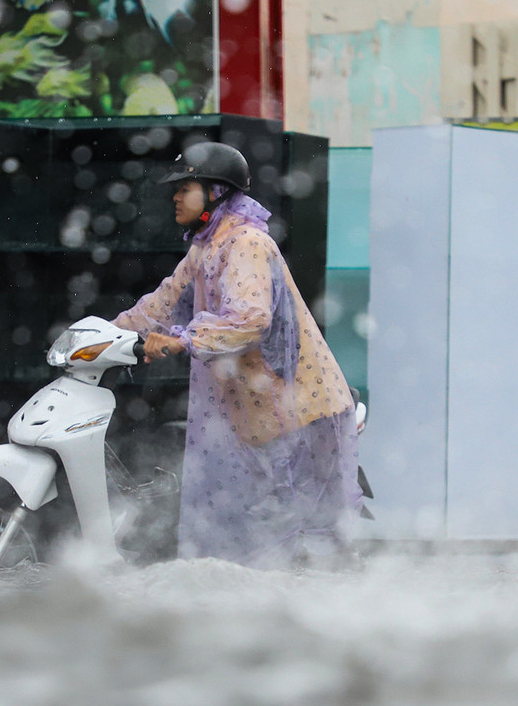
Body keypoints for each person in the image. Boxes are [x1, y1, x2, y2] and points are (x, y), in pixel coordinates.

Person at [112, 141, 362, 568]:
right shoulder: (206, 248)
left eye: (185, 187)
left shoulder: (246, 242)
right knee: (250, 547)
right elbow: (163, 303)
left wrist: (183, 340)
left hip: (295, 412)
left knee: (300, 547)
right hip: (257, 414)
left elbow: (249, 319)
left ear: (216, 192)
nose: (174, 195)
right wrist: (104, 334)